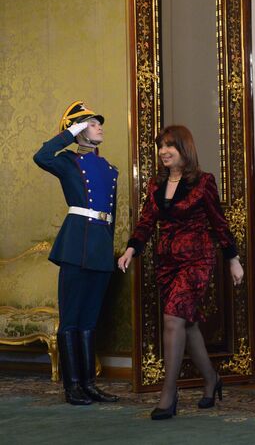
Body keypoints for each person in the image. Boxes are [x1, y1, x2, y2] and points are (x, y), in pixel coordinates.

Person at [117, 125, 244, 420]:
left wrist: (232, 259)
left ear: (184, 149)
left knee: (173, 319)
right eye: (161, 146)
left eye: (169, 146)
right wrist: (131, 250)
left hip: (196, 261)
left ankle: (168, 392)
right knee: (188, 324)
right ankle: (211, 379)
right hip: (167, 263)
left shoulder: (203, 182)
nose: (163, 151)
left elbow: (219, 223)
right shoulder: (155, 185)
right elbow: (147, 222)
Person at [33, 101, 120, 406]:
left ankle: (89, 385)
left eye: (97, 123)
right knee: (71, 319)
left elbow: (111, 214)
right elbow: (40, 156)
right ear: (79, 130)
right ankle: (72, 387)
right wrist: (69, 133)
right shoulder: (67, 161)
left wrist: (109, 252)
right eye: (93, 124)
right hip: (75, 246)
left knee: (89, 320)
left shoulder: (110, 170)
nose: (100, 127)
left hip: (99, 249)